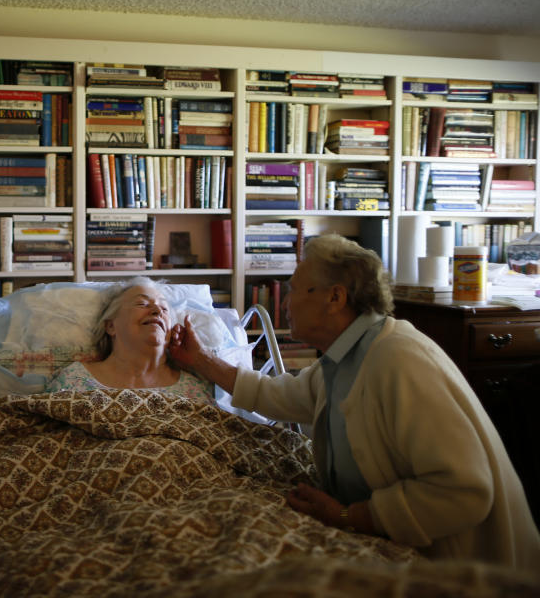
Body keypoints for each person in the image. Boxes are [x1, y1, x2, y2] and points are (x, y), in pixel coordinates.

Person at [169, 233, 540, 569]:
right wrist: (201, 360)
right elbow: (277, 395)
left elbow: (464, 491)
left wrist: (352, 517)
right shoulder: (344, 358)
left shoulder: (398, 359)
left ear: (335, 297)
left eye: (296, 289)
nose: (286, 302)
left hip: (463, 568)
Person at [45, 277, 215, 404]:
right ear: (111, 326)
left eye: (164, 308)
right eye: (142, 304)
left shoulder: (193, 391)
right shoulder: (73, 382)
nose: (157, 310)